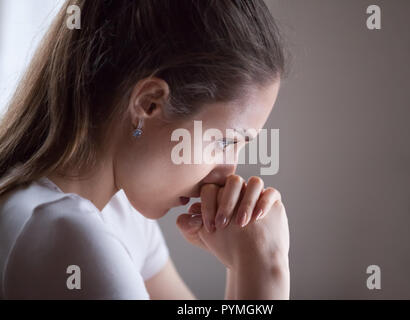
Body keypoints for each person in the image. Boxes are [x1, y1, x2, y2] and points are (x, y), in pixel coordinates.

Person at [0, 0, 290, 299]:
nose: (229, 172)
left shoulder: (120, 214)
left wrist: (241, 261)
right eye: (225, 141)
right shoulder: (70, 238)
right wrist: (265, 267)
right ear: (148, 103)